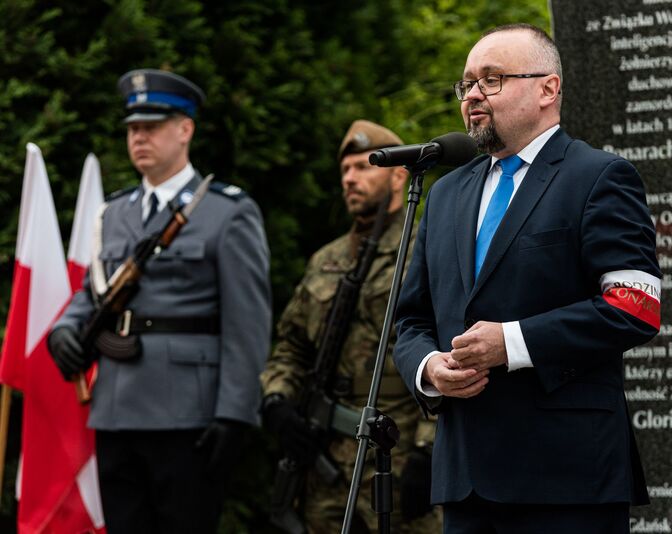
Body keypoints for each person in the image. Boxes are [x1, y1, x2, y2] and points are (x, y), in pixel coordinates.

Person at [392, 23, 662, 533]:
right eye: (467, 83)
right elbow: (410, 318)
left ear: (548, 89)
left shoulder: (598, 176)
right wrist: (429, 369)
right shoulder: (446, 193)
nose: (473, 94)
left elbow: (634, 306)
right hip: (466, 477)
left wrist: (510, 343)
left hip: (566, 477)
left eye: (492, 79)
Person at [47, 68, 272, 533]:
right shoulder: (113, 213)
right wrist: (65, 329)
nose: (139, 138)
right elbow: (95, 290)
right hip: (115, 408)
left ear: (185, 129)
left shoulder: (226, 212)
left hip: (188, 413)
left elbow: (247, 323)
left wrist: (235, 411)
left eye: (151, 126)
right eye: (132, 128)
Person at [260, 120, 441, 533]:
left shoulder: (424, 249)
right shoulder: (327, 259)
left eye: (363, 167)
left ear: (399, 176)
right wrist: (278, 402)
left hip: (394, 454)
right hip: (327, 465)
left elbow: (449, 346)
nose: (350, 179)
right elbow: (291, 347)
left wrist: (429, 450)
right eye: (345, 170)